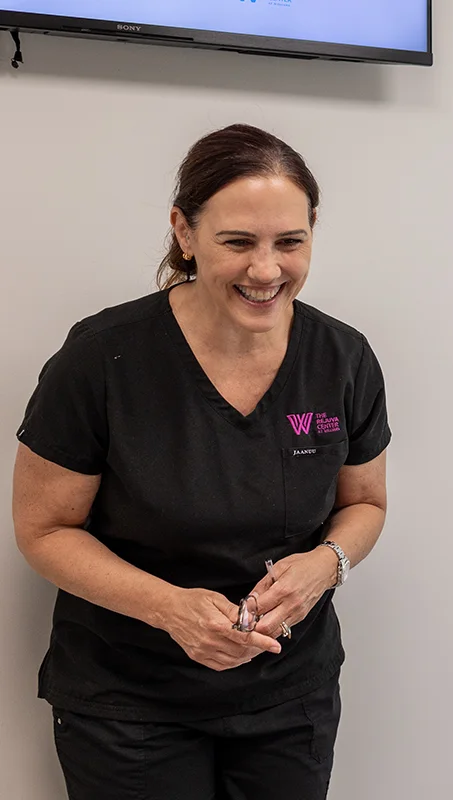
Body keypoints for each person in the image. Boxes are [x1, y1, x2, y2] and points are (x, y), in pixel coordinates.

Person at [12, 123, 390, 800]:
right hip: (131, 702)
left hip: (288, 699)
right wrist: (170, 609)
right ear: (184, 233)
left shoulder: (343, 358)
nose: (267, 270)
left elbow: (364, 503)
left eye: (290, 242)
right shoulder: (102, 359)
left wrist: (323, 567)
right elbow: (44, 530)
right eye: (238, 242)